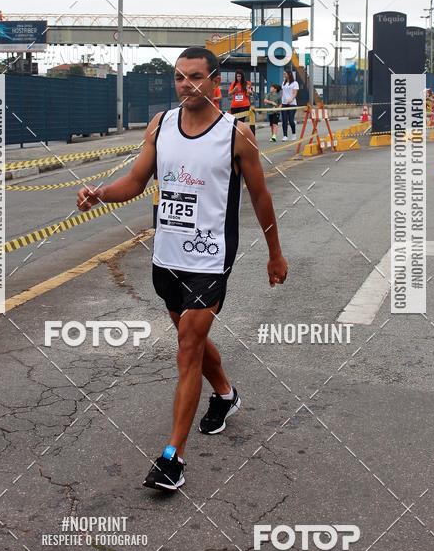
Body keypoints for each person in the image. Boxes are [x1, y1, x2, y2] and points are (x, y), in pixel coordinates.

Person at [77, 47, 288, 491]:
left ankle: (172, 457)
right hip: (167, 256)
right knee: (189, 336)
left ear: (214, 81)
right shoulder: (161, 125)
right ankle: (226, 395)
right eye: (178, 78)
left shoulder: (237, 135)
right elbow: (136, 180)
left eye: (194, 77)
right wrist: (100, 192)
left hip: (210, 257)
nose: (186, 85)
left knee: (188, 347)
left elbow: (260, 197)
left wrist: (275, 252)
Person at [281, 69, 299, 141]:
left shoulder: (295, 83)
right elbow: (283, 93)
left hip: (292, 104)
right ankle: (285, 136)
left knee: (291, 120)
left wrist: (291, 99)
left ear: (289, 74)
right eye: (284, 74)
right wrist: (281, 102)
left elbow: (295, 93)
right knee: (284, 120)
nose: (284, 75)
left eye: (285, 74)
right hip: (284, 104)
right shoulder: (283, 83)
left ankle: (294, 134)